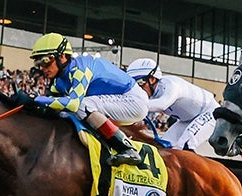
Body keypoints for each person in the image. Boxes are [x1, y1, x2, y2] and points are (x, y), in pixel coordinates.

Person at [13, 34, 150, 169]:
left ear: (62, 56)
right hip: (118, 102)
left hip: (134, 101)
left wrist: (35, 99)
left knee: (82, 105)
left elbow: (73, 104)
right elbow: (49, 105)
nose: (42, 68)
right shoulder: (59, 81)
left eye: (45, 61)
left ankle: (127, 149)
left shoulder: (80, 69)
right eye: (38, 63)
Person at [126, 58, 219, 152]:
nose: (139, 89)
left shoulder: (171, 85)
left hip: (210, 111)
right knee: (163, 148)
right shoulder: (150, 92)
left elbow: (161, 105)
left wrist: (131, 105)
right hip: (186, 120)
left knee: (186, 145)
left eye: (140, 83)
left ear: (152, 79)